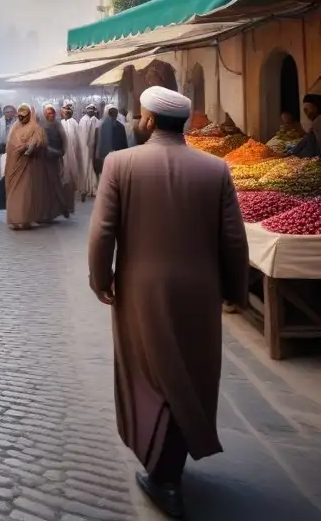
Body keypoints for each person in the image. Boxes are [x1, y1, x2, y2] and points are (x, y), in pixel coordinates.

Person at [88, 86, 249, 518]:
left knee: (147, 373)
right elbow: (234, 238)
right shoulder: (215, 169)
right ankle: (169, 468)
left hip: (140, 289)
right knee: (188, 373)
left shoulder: (120, 163)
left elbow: (103, 231)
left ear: (151, 121)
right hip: (199, 291)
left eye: (142, 115)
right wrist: (235, 292)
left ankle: (163, 475)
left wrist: (100, 279)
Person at [4, 104, 48, 230]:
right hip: (14, 165)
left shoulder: (35, 128)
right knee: (14, 192)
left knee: (26, 193)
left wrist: (28, 148)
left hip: (29, 167)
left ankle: (25, 219)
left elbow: (39, 144)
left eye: (24, 116)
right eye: (19, 116)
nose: (21, 118)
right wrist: (20, 148)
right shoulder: (15, 127)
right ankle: (14, 219)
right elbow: (10, 145)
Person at [41, 104, 72, 221]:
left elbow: (64, 140)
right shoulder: (41, 125)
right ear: (45, 114)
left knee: (56, 183)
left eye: (53, 113)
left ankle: (62, 207)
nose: (51, 115)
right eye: (49, 113)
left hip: (55, 159)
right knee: (47, 186)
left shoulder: (58, 125)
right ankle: (49, 213)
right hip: (44, 159)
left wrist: (60, 152)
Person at [0, 105, 17, 209]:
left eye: (11, 112)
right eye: (7, 112)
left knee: (10, 177)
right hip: (1, 152)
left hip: (12, 152)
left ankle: (10, 201)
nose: (9, 114)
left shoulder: (16, 123)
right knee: (0, 176)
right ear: (4, 113)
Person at [60, 102, 83, 211]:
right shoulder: (60, 123)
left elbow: (78, 139)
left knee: (73, 170)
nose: (66, 113)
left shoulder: (74, 123)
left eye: (68, 111)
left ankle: (74, 188)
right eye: (64, 110)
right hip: (63, 152)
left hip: (73, 151)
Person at [95, 104, 128, 178]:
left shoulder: (101, 125)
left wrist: (99, 155)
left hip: (105, 155)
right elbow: (124, 142)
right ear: (116, 115)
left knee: (107, 174)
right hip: (118, 154)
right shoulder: (121, 126)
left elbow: (99, 142)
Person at [77, 103, 100, 201]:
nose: (91, 110)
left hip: (94, 147)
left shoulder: (96, 121)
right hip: (84, 148)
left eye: (93, 109)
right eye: (89, 109)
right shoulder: (83, 120)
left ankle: (93, 189)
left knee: (93, 168)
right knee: (85, 167)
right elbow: (82, 136)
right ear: (86, 110)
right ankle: (85, 188)